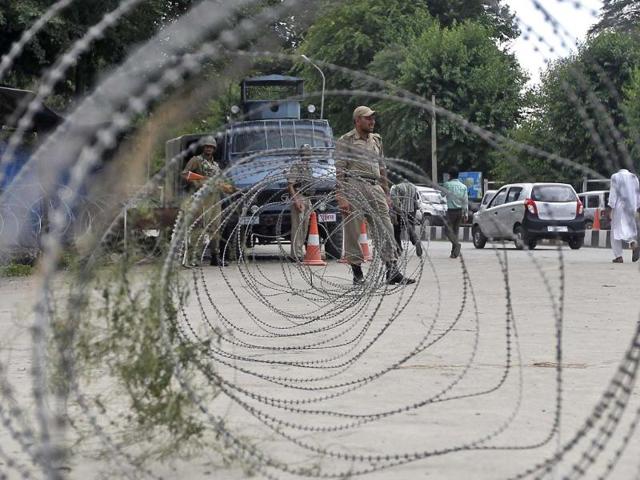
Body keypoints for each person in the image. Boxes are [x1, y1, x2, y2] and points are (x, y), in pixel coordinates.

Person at [336, 106, 415, 286]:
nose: (372, 121)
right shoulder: (346, 140)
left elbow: (381, 167)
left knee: (386, 227)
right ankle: (357, 273)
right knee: (353, 231)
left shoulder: (377, 140)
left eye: (373, 118)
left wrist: (386, 193)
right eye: (368, 118)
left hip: (375, 186)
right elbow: (339, 170)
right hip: (354, 186)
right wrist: (341, 196)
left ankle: (392, 270)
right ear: (357, 120)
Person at [181, 136, 233, 266]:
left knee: (216, 227)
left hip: (215, 198)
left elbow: (220, 181)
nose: (209, 149)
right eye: (207, 146)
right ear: (203, 147)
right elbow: (185, 174)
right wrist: (200, 182)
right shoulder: (196, 161)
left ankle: (215, 256)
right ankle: (194, 257)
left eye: (211, 147)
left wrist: (227, 187)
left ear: (214, 149)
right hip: (202, 198)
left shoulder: (215, 165)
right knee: (199, 227)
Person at [607, 167, 640, 263]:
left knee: (615, 232)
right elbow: (638, 194)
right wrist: (638, 207)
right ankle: (633, 244)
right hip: (632, 208)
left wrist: (610, 209)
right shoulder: (634, 177)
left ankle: (619, 256)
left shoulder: (615, 177)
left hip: (619, 209)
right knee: (629, 228)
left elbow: (613, 195)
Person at [287, 144, 314, 261]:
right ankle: (296, 254)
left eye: (309, 151)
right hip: (300, 196)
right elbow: (290, 184)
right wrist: (296, 200)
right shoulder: (296, 166)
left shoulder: (309, 166)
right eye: (305, 152)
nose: (308, 154)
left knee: (305, 226)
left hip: (308, 197)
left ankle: (300, 251)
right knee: (298, 226)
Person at [390, 181, 422, 257]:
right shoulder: (413, 187)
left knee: (396, 231)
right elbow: (416, 200)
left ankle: (399, 248)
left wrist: (395, 210)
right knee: (410, 229)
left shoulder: (396, 187)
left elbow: (395, 200)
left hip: (400, 212)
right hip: (411, 212)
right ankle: (416, 241)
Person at [442, 166, 468, 258]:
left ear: (450, 175)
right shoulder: (463, 186)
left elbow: (442, 194)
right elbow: (465, 201)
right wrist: (466, 214)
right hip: (460, 211)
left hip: (451, 211)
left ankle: (456, 245)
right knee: (455, 232)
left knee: (447, 231)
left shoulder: (447, 184)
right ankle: (453, 253)